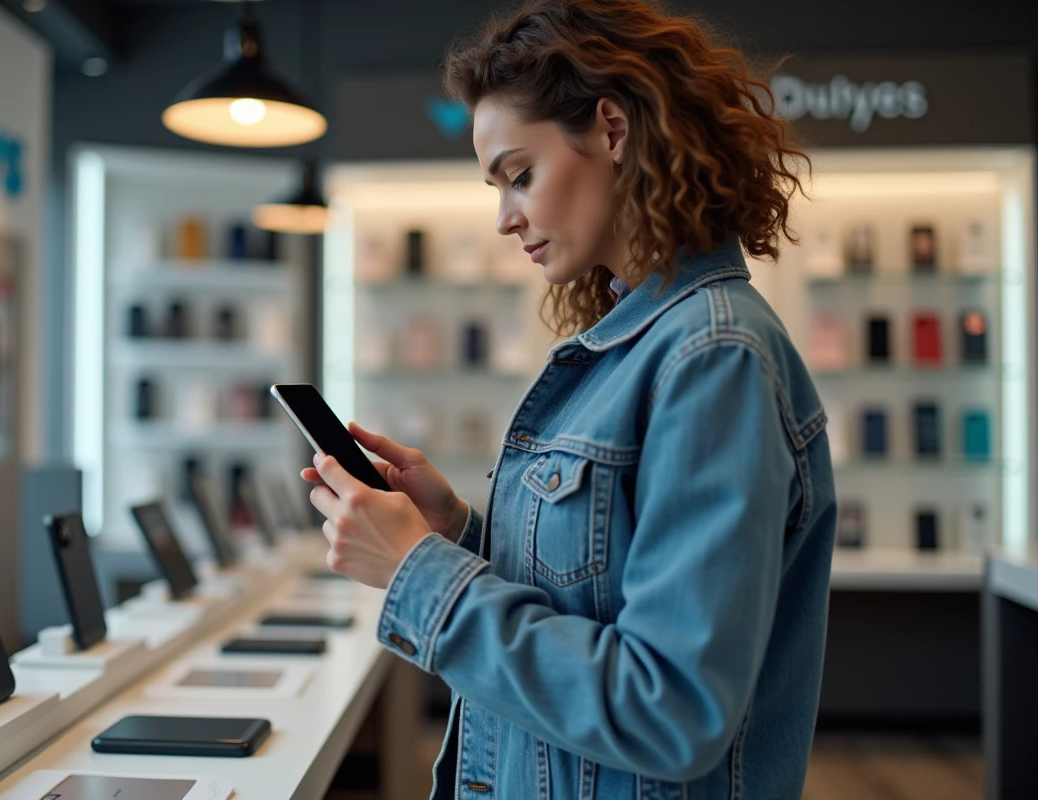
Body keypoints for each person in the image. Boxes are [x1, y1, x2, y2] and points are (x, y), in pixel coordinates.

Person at [300, 1, 835, 797]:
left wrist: (418, 571)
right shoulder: (644, 343)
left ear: (613, 130)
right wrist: (456, 534)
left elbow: (670, 709)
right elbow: (599, 600)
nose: (505, 218)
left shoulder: (713, 354)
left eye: (520, 175)